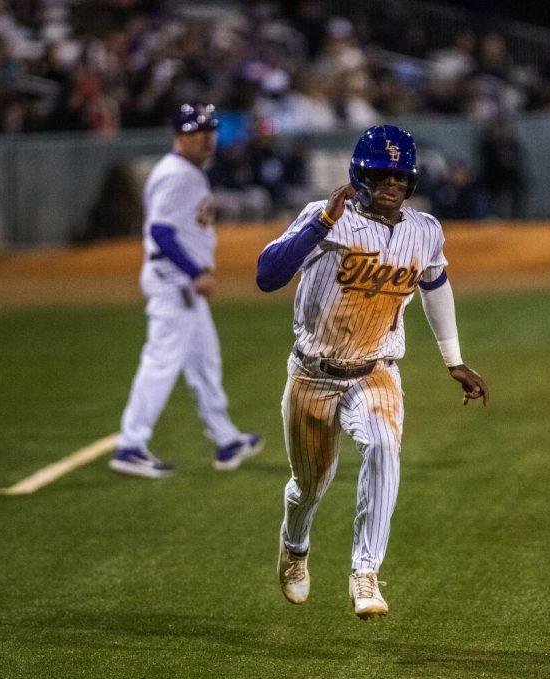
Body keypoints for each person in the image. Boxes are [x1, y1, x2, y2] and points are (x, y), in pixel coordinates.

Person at [255, 125, 488, 620]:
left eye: (400, 177)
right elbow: (266, 275)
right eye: (381, 175)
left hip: (375, 370)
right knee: (309, 485)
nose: (391, 185)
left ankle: (365, 571)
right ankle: (295, 548)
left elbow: (436, 283)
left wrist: (454, 359)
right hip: (313, 374)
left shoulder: (424, 230)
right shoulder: (326, 218)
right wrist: (319, 224)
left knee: (384, 446)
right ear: (359, 175)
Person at [109, 103, 262, 478]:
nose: (207, 137)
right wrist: (194, 272)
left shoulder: (189, 172)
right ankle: (130, 444)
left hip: (183, 286)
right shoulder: (176, 174)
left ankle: (227, 440)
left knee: (205, 362)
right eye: (198, 132)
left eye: (210, 130)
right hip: (174, 283)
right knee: (162, 363)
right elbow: (160, 232)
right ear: (180, 137)